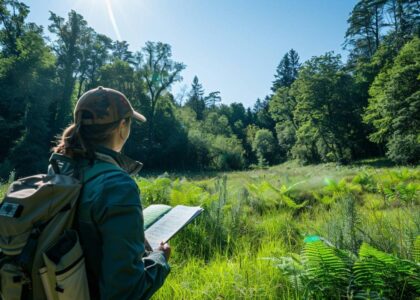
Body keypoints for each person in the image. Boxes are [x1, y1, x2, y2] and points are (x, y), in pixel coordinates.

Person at [50, 86, 170, 299]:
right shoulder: (117, 185)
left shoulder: (59, 169)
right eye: (130, 122)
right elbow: (126, 291)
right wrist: (160, 259)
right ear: (122, 127)